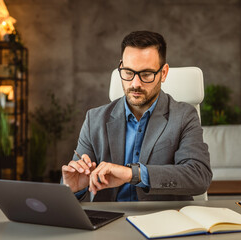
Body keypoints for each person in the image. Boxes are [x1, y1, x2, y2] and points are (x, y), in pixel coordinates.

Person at [62, 30, 212, 201]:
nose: (135, 84)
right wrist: (73, 189)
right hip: (109, 221)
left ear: (163, 73)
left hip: (161, 221)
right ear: (120, 67)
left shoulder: (184, 116)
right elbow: (71, 189)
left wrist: (134, 174)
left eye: (146, 74)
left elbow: (199, 176)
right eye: (128, 72)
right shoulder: (94, 119)